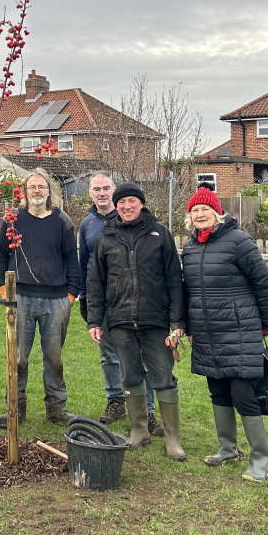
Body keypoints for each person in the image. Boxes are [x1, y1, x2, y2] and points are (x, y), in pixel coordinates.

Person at [181, 183, 268, 482]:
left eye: (205, 210)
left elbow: (264, 283)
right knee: (218, 391)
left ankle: (260, 460)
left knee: (243, 393)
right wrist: (190, 326)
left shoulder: (239, 241)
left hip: (240, 329)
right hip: (207, 333)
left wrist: (266, 322)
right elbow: (189, 292)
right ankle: (227, 448)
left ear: (217, 213)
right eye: (195, 210)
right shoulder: (190, 247)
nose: (200, 214)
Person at [87, 182, 187, 460]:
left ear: (141, 203)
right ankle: (138, 431)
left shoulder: (159, 234)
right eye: (122, 203)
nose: (127, 206)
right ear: (116, 206)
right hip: (119, 321)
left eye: (132, 201)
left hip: (155, 321)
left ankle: (172, 438)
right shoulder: (106, 237)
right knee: (129, 376)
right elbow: (96, 282)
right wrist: (95, 319)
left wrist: (177, 320)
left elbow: (174, 280)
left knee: (163, 378)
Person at [0, 168, 80, 427]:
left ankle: (56, 408)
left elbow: (71, 261)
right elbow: (0, 259)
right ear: (25, 191)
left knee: (53, 357)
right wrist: (3, 289)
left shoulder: (62, 220)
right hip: (21, 298)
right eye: (32, 187)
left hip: (56, 300)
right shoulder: (12, 220)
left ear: (49, 191)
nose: (37, 191)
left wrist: (71, 296)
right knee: (18, 357)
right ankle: (15, 408)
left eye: (42, 187)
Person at [79, 172, 161, 434]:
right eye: (96, 189)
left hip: (133, 299)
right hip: (102, 299)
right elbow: (84, 266)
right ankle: (116, 401)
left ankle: (147, 409)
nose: (101, 193)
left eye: (106, 188)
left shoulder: (127, 218)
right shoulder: (87, 225)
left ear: (113, 191)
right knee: (108, 355)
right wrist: (87, 301)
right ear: (90, 193)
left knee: (140, 357)